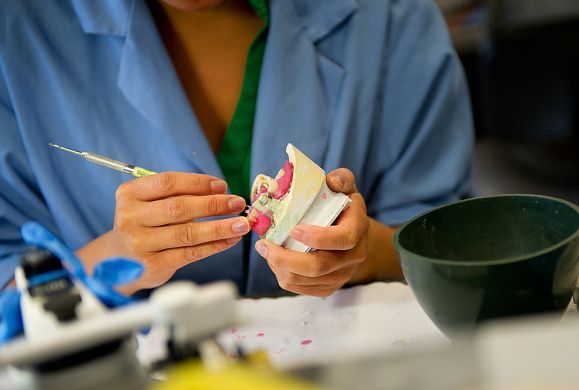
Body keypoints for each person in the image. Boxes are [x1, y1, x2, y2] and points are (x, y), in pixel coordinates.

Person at [0, 0, 473, 298]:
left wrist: (363, 252)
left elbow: (457, 259)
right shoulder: (18, 33)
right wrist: (113, 258)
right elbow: (8, 296)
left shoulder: (392, 20)